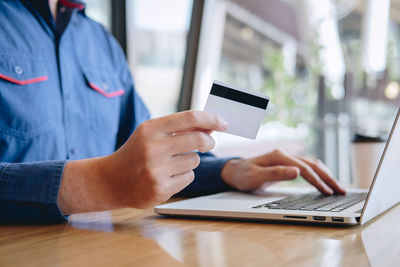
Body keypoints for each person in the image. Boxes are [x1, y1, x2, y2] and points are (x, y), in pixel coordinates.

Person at [0, 0, 345, 224]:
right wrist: (96, 183)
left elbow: (142, 162)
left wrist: (230, 171)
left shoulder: (100, 42)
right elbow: (116, 176)